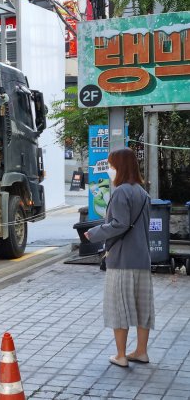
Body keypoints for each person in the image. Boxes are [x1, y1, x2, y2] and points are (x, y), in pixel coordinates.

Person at [85, 148, 153, 368]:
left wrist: (94, 233)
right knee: (143, 307)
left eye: (112, 165)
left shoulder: (121, 192)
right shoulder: (143, 193)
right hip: (142, 258)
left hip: (122, 259)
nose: (110, 170)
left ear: (120, 167)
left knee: (119, 308)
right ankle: (141, 351)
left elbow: (119, 224)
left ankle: (121, 355)